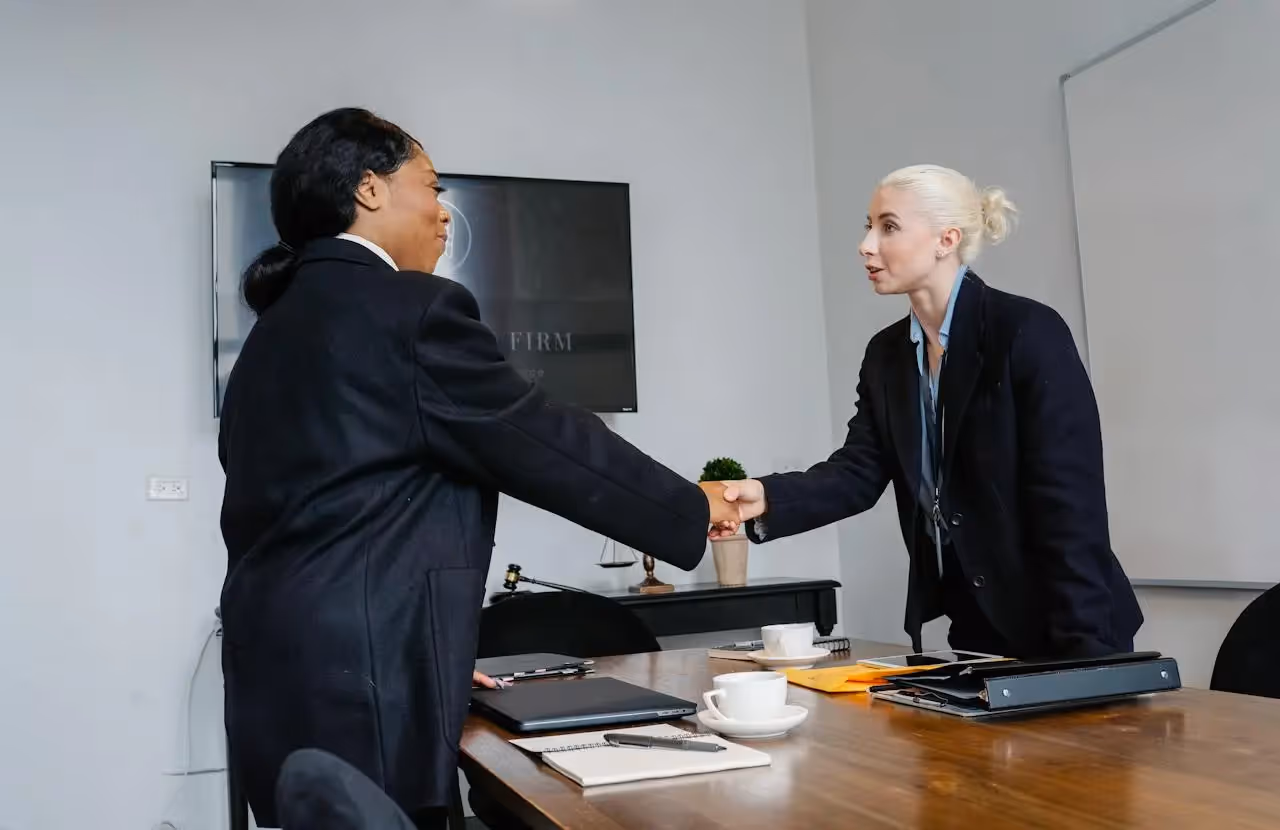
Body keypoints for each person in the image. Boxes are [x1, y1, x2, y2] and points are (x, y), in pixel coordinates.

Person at [217, 107, 737, 829]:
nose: (443, 213)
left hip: (282, 673)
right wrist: (697, 507)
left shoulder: (269, 334)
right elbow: (543, 441)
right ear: (369, 190)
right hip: (364, 689)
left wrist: (420, 650)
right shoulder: (410, 309)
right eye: (430, 186)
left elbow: (324, 520)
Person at [711, 164, 1142, 659]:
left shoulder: (1026, 331)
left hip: (1070, 623)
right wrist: (763, 498)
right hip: (978, 624)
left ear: (946, 239)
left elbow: (1070, 504)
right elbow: (858, 472)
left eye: (888, 227)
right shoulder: (886, 355)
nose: (866, 245)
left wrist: (1086, 657)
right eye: (868, 226)